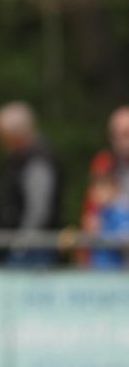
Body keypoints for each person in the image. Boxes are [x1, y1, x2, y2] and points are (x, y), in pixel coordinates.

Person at [0, 101, 62, 266]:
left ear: (13, 135)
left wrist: (21, 243)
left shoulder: (38, 160)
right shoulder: (21, 158)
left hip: (32, 249)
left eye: (3, 136)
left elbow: (38, 209)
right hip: (26, 246)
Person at [81, 105, 129, 268]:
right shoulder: (104, 165)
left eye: (126, 134)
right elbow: (91, 218)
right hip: (109, 259)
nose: (122, 141)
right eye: (117, 135)